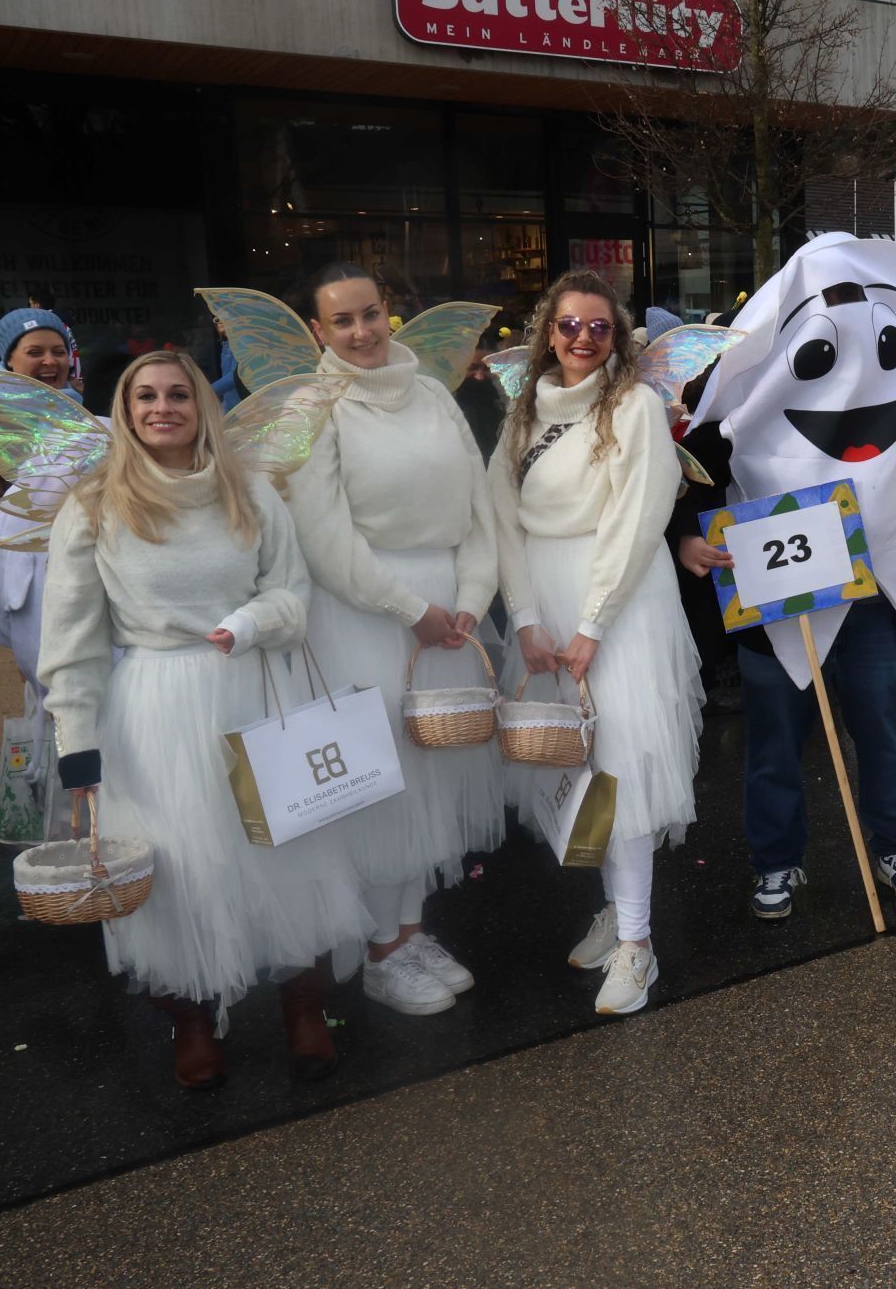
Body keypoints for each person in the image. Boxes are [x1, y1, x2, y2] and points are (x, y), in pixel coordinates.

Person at [40, 351, 368, 1088]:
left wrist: (247, 624)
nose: (163, 407)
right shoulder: (93, 505)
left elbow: (292, 592)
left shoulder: (248, 488)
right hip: (154, 709)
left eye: (179, 394)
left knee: (284, 850)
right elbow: (72, 642)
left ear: (201, 405)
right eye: (146, 395)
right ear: (125, 410)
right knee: (182, 866)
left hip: (250, 692)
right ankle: (190, 1018)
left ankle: (302, 1005)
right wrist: (78, 752)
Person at [671, 234, 896, 922]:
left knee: (886, 730)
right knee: (773, 739)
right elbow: (691, 465)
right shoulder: (747, 376)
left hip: (872, 593)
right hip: (773, 592)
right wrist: (685, 533)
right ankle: (776, 859)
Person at [283, 262, 502, 1018]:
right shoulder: (312, 407)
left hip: (446, 613)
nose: (360, 331)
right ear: (318, 331)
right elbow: (324, 537)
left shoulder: (436, 394)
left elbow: (478, 507)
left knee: (433, 781)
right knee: (383, 785)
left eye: (370, 313)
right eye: (341, 321)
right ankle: (381, 949)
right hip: (368, 613)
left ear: (390, 312)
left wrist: (470, 599)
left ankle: (409, 931)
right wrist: (411, 608)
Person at [490, 270, 702, 1014]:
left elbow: (639, 519)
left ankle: (639, 944)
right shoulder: (523, 413)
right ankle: (617, 907)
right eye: (569, 325)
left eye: (599, 327)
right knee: (577, 766)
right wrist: (523, 617)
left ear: (618, 337)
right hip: (545, 602)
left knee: (623, 770)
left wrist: (592, 624)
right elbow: (501, 515)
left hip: (619, 602)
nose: (583, 338)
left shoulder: (637, 405)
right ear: (549, 332)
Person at [0, 308, 83, 722]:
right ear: (8, 360)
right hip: (31, 576)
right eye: (35, 351)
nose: (50, 362)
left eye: (58, 351)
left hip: (86, 568)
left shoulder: (80, 414)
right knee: (52, 693)